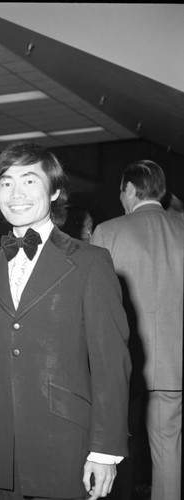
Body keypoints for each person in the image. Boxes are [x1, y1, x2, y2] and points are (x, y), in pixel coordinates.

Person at [0, 142, 131, 500]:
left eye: (29, 181)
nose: (15, 194)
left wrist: (105, 451)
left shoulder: (90, 262)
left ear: (54, 191)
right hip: (3, 441)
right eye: (5, 183)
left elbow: (110, 363)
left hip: (68, 441)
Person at [90, 160, 183, 500]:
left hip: (125, 363)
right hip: (175, 364)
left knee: (115, 447)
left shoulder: (108, 231)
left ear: (129, 190)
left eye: (121, 192)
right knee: (169, 447)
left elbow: (97, 303)